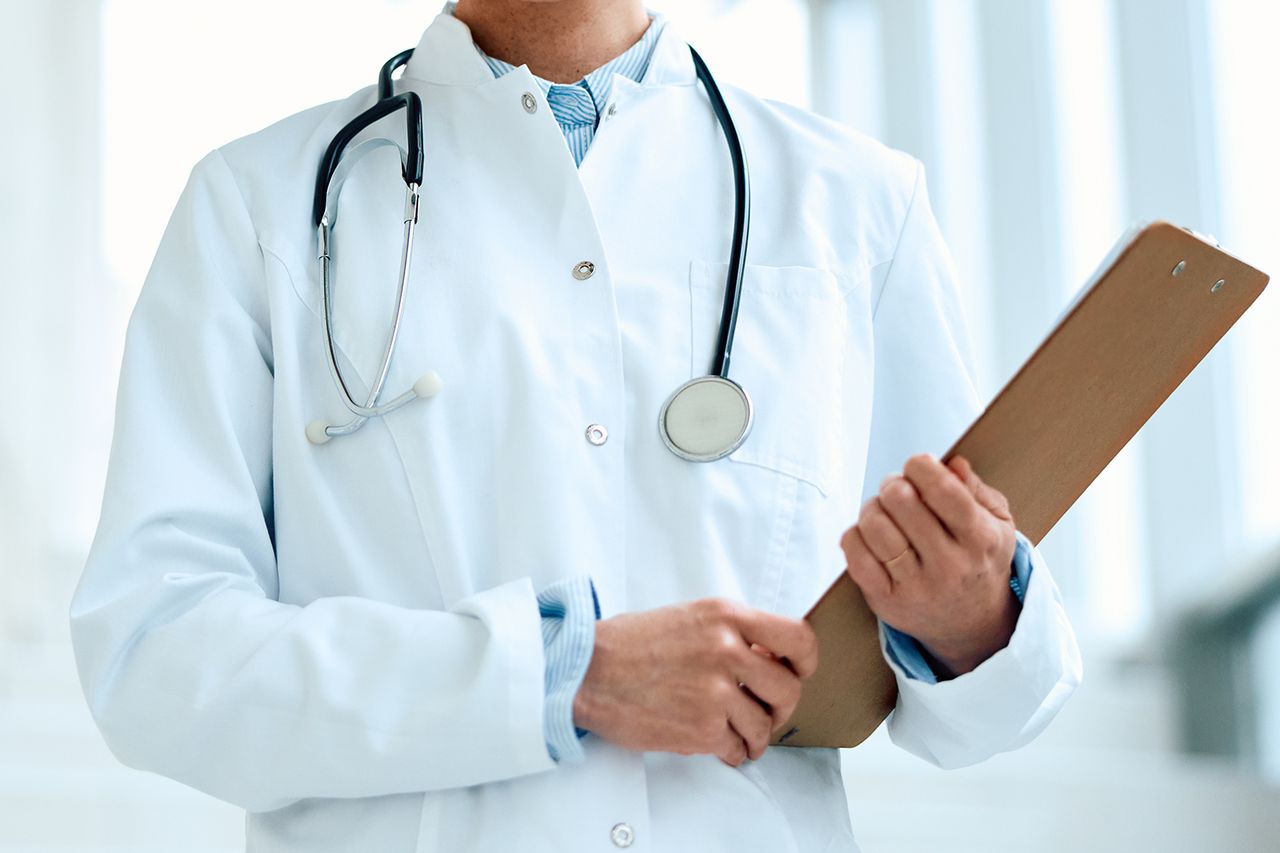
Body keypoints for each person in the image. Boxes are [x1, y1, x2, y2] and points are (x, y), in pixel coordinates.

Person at [69, 1, 1082, 850]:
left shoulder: (855, 204)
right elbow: (154, 658)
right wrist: (559, 675)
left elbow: (991, 690)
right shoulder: (258, 205)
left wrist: (970, 626)